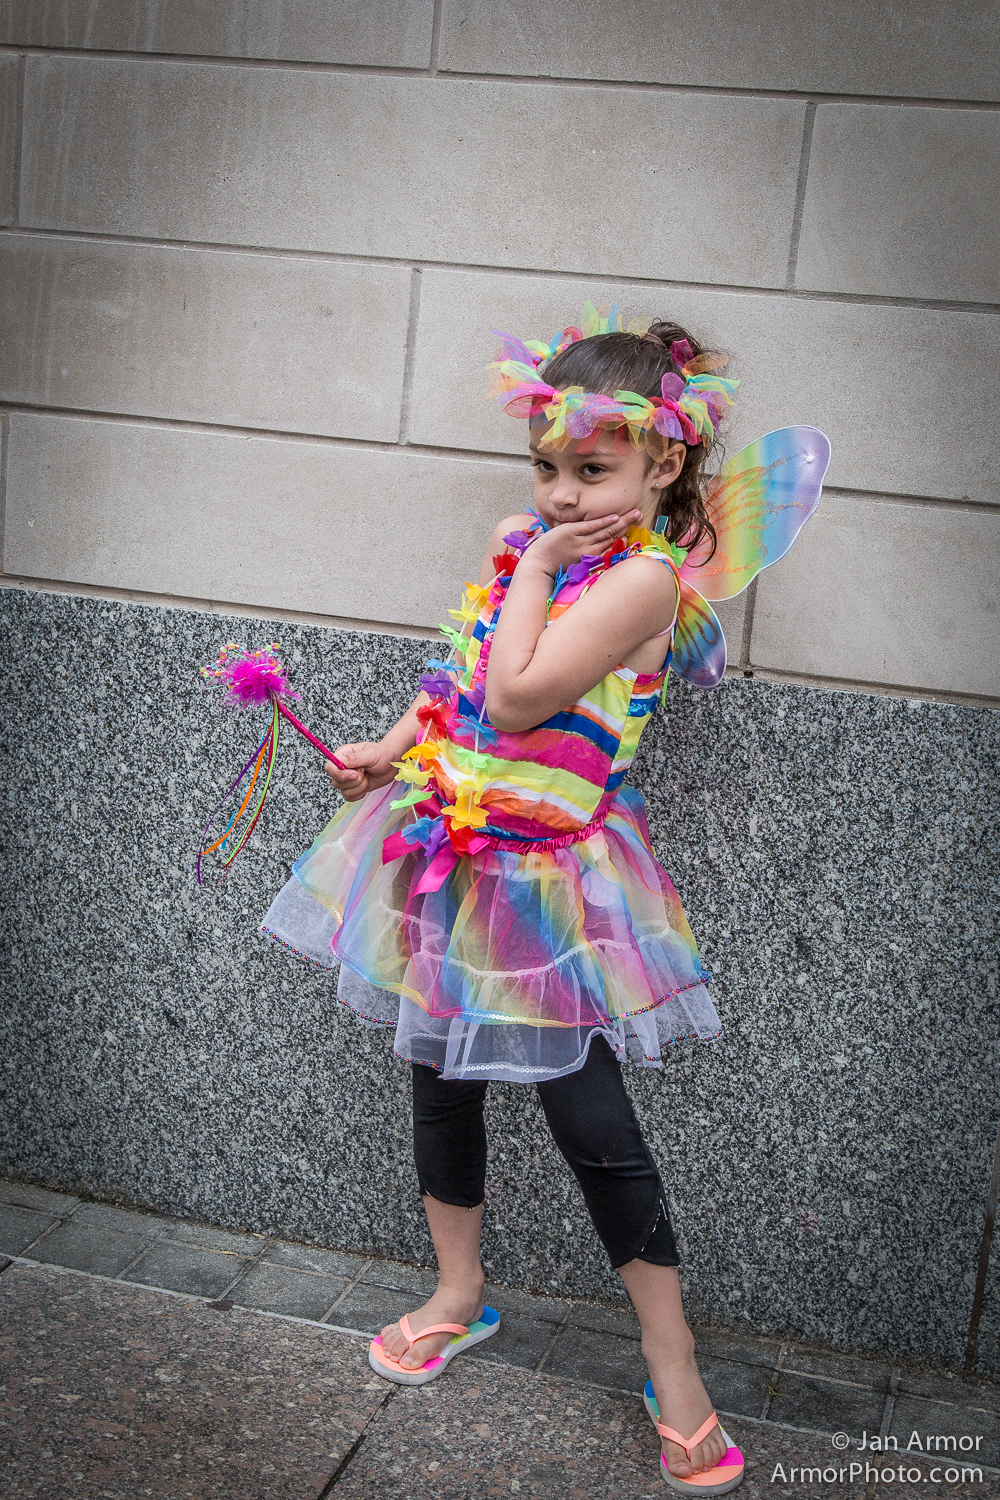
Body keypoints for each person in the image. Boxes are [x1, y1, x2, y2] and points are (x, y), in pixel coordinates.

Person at [263, 305, 752, 1492]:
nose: (561, 492)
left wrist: (533, 560)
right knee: (437, 1080)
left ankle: (671, 1360)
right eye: (547, 468)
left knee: (591, 1125)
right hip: (446, 845)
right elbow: (460, 681)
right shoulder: (518, 552)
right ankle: (457, 1294)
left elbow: (526, 698)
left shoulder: (644, 579)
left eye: (593, 469)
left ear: (663, 462)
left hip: (548, 876)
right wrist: (385, 749)